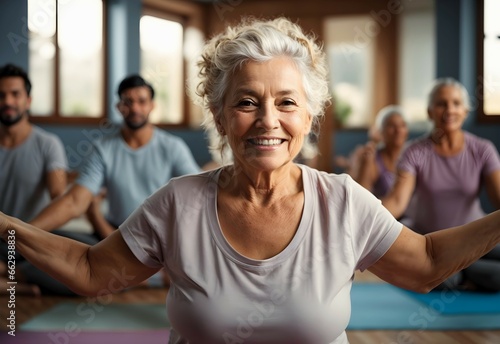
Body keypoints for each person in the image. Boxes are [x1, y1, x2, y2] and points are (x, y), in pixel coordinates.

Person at [1, 18, 500, 343]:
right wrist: (6, 228)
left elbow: (429, 263)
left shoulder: (343, 201)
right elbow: (92, 271)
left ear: (310, 117)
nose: (267, 120)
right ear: (220, 117)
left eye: (286, 102)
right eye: (246, 102)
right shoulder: (178, 204)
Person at [382, 77, 500, 291]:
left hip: (474, 239)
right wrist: (362, 219)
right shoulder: (414, 152)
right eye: (441, 104)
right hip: (429, 243)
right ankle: (461, 273)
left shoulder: (483, 150)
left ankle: (461, 271)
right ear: (429, 111)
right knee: (434, 274)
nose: (449, 110)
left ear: (465, 111)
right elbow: (397, 201)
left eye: (456, 103)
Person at [0, 63, 68, 295]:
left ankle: (11, 276)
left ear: (27, 100)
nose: (8, 101)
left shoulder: (48, 144)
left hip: (32, 239)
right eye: (1, 95)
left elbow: (59, 197)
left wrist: (25, 233)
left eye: (15, 94)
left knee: (85, 252)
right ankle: (17, 283)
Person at [354, 105, 409, 198]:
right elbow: (360, 196)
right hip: (383, 211)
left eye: (402, 125)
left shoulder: (413, 156)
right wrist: (366, 164)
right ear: (381, 131)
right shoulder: (373, 158)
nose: (398, 130)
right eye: (392, 126)